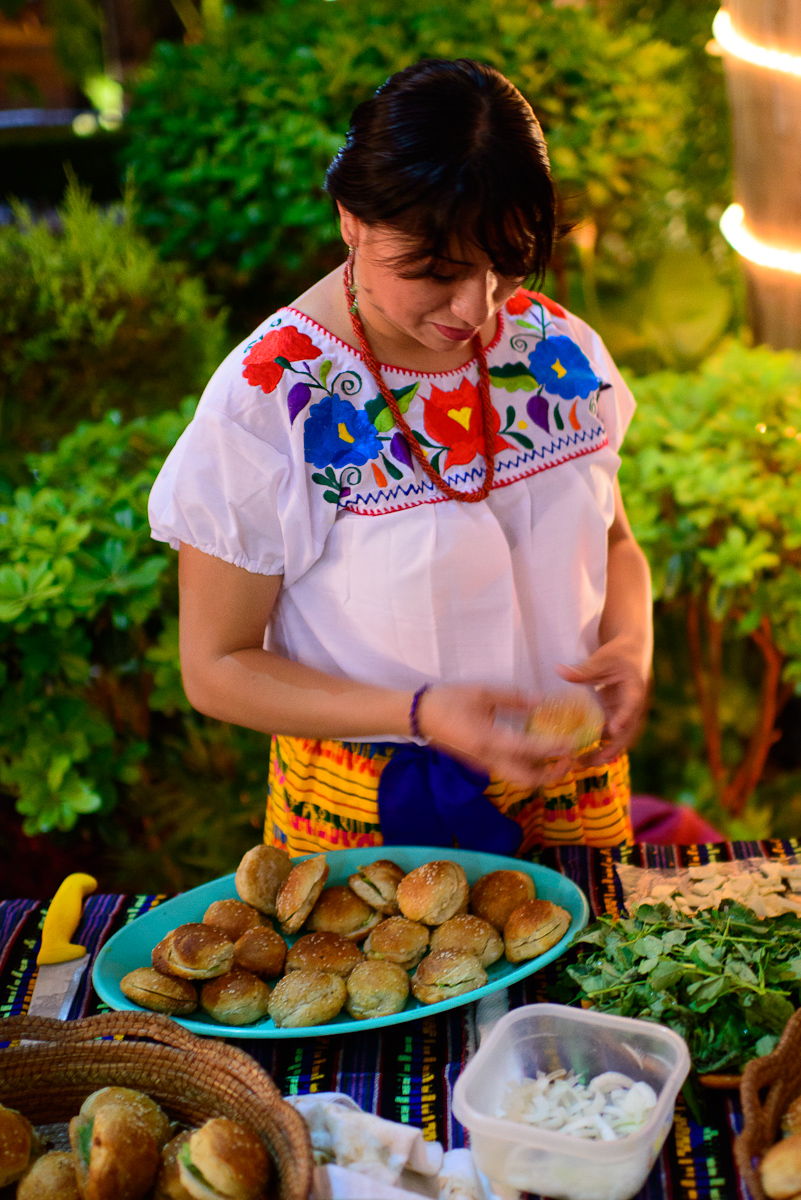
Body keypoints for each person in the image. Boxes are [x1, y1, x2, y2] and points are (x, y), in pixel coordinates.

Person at [148, 58, 652, 858]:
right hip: (369, 822)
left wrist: (629, 644)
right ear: (352, 219)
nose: (477, 309)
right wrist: (419, 711)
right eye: (438, 272)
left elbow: (614, 544)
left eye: (508, 264)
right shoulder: (271, 398)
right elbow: (216, 666)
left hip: (573, 796)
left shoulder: (556, 349)